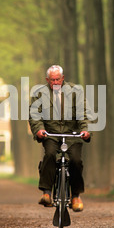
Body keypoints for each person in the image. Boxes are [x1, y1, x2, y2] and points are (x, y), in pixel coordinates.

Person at [29, 65, 91, 212]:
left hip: (72, 135)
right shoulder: (39, 93)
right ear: (47, 80)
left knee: (76, 160)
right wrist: (39, 130)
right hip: (50, 134)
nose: (55, 83)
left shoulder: (75, 91)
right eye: (52, 80)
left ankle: (75, 196)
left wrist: (84, 130)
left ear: (63, 78)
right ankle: (47, 193)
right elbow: (34, 115)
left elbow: (82, 113)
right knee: (50, 154)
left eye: (58, 79)